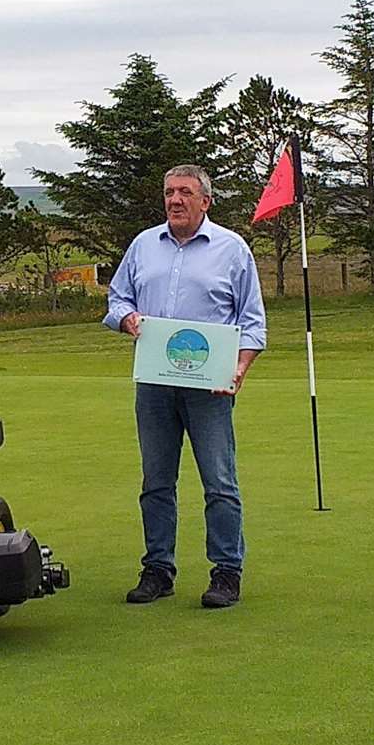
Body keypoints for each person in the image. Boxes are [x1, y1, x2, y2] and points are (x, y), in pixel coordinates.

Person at [104, 165, 266, 609]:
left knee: (219, 481)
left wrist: (238, 370)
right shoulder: (143, 246)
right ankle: (158, 569)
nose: (175, 200)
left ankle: (226, 572)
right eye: (169, 192)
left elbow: (252, 323)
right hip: (155, 383)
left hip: (209, 387)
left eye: (185, 193)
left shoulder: (232, 249)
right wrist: (126, 318)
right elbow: (117, 300)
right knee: (156, 480)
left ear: (205, 201)